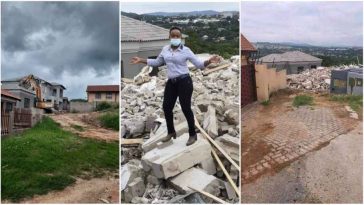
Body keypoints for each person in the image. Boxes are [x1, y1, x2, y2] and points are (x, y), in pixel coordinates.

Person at [130, 26, 220, 146]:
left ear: (181, 37)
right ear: (169, 37)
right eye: (173, 36)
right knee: (167, 107)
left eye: (178, 36)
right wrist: (141, 60)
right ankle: (171, 132)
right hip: (171, 82)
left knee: (186, 108)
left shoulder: (186, 50)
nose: (175, 38)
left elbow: (199, 65)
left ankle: (192, 134)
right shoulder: (165, 50)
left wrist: (209, 61)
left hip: (184, 81)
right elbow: (158, 62)